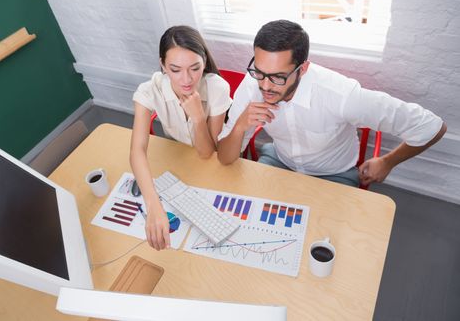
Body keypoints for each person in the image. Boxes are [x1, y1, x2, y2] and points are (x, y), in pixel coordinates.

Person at [217, 19, 447, 188]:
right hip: (280, 161)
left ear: (303, 69)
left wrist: (387, 161)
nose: (265, 86)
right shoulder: (251, 84)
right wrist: (239, 126)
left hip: (334, 175)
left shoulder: (342, 95)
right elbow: (224, 158)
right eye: (259, 72)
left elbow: (432, 127)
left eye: (278, 77)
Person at [130, 25, 231, 251]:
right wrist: (153, 205)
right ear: (163, 65)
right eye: (175, 70)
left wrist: (197, 117)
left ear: (204, 62)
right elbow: (137, 150)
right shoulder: (149, 90)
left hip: (210, 164)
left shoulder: (217, 87)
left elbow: (207, 153)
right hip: (179, 160)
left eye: (195, 68)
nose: (186, 79)